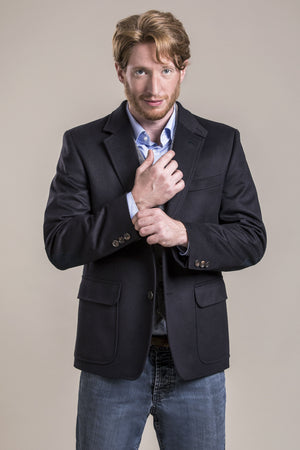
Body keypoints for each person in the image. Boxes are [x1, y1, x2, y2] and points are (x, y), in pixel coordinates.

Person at [44, 10, 266, 450]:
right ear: (120, 72)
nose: (154, 87)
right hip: (111, 358)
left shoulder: (222, 143)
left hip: (194, 361)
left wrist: (184, 233)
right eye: (141, 71)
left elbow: (250, 238)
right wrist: (134, 203)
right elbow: (60, 243)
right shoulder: (82, 144)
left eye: (165, 70)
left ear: (183, 70)